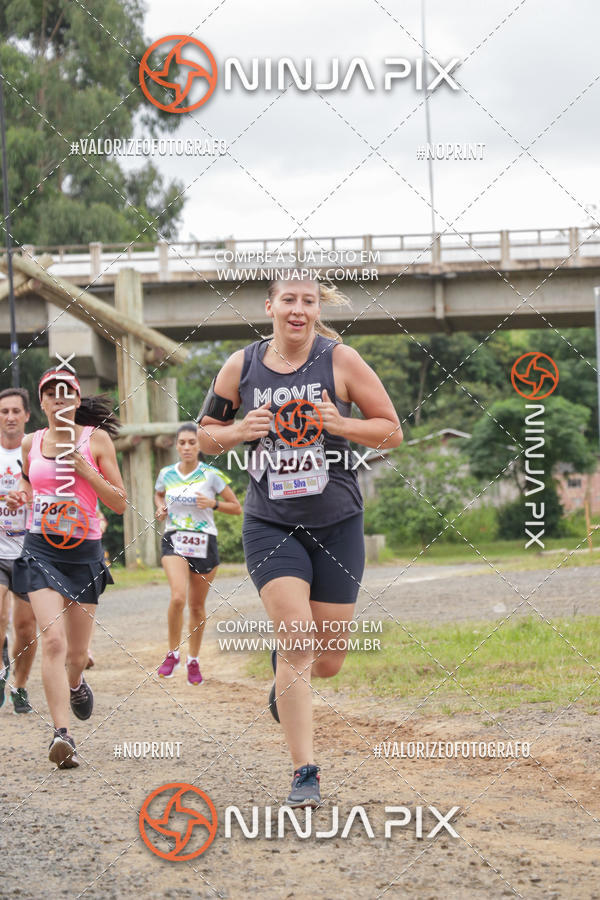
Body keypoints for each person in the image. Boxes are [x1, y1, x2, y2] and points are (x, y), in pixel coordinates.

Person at [197, 275, 403, 807]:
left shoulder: (341, 361)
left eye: (307, 302)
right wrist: (239, 431)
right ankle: (304, 771)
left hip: (337, 523)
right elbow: (204, 437)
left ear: (315, 311)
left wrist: (343, 424)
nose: (298, 309)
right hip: (271, 523)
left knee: (328, 659)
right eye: (288, 300)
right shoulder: (240, 366)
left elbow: (391, 430)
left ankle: (282, 677)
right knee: (297, 638)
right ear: (270, 307)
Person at [7, 366, 126, 769]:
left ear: (76, 400)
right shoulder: (31, 442)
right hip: (40, 550)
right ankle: (63, 735)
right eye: (50, 393)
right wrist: (20, 498)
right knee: (53, 641)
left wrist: (84, 469)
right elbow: (28, 481)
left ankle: (76, 682)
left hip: (84, 554)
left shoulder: (98, 440)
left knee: (75, 654)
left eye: (66, 393)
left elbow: (120, 503)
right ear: (41, 403)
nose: (59, 399)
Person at [154, 423, 241, 685]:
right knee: (178, 597)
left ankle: (193, 659)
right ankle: (173, 653)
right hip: (175, 538)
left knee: (196, 606)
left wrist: (213, 503)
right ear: (177, 446)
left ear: (199, 446)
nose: (187, 447)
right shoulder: (166, 474)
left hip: (205, 543)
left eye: (192, 442)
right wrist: (161, 508)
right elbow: (159, 495)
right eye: (182, 443)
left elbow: (236, 507)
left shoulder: (212, 475)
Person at [0, 387, 38, 714]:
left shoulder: (37, 452)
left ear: (27, 415)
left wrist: (26, 498)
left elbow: (55, 496)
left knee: (25, 629)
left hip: (28, 552)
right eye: (4, 411)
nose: (10, 417)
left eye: (16, 411)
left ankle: (20, 684)